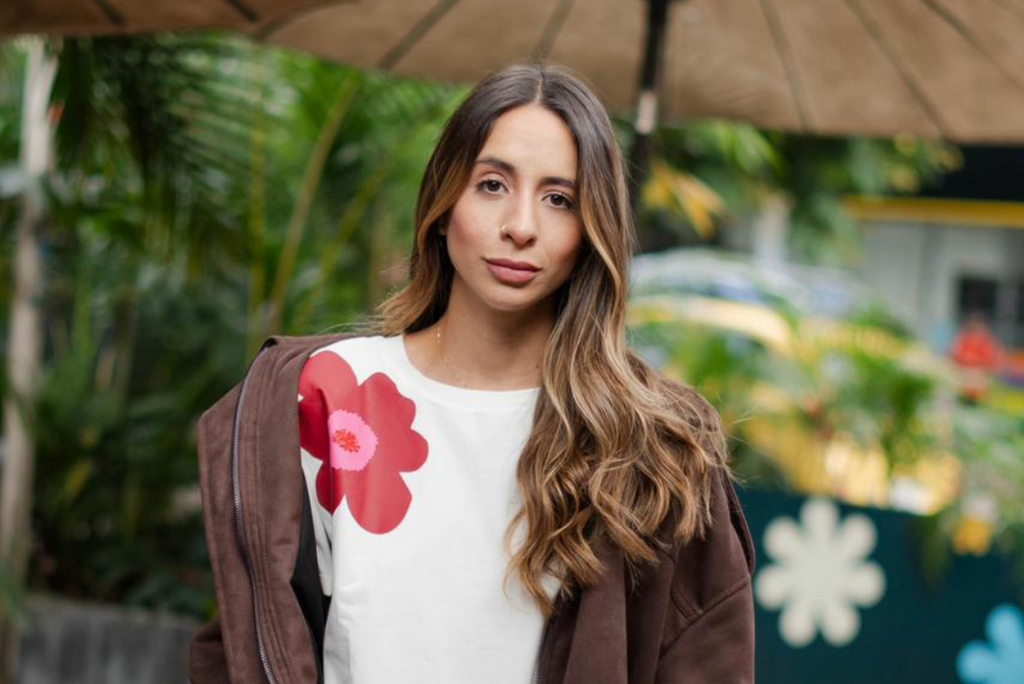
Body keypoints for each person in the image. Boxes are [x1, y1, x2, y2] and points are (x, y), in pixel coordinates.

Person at [189, 64, 755, 684]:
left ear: (591, 232)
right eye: (492, 185)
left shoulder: (646, 442)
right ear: (444, 199)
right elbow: (248, 639)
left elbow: (707, 659)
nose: (521, 226)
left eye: (559, 199)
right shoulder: (324, 394)